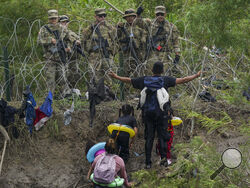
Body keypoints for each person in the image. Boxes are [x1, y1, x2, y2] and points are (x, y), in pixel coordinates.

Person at [109, 61, 201, 169]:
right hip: (162, 115)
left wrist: (116, 76)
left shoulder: (144, 80)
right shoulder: (165, 80)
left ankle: (148, 163)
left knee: (149, 138)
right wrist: (196, 75)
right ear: (162, 71)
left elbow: (129, 80)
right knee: (162, 137)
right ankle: (163, 160)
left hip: (148, 114)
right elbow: (183, 80)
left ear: (152, 70)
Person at [38, 10, 76, 97]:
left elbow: (69, 38)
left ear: (57, 18)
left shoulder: (62, 28)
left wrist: (69, 46)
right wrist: (49, 40)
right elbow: (39, 41)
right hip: (50, 57)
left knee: (62, 77)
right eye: (51, 19)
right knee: (50, 78)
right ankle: (49, 97)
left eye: (55, 18)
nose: (53, 20)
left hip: (61, 56)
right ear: (49, 19)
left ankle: (64, 95)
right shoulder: (44, 29)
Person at [135, 6, 181, 73]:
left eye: (162, 14)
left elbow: (176, 42)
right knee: (151, 73)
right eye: (158, 14)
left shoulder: (171, 27)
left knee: (163, 75)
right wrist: (138, 14)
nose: (160, 16)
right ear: (155, 14)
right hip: (152, 54)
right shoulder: (150, 24)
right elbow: (138, 22)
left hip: (165, 55)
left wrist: (177, 55)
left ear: (165, 14)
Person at [82, 8, 117, 85]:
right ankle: (96, 90)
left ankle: (108, 91)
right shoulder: (91, 28)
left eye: (104, 16)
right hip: (94, 54)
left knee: (108, 73)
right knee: (93, 72)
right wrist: (87, 51)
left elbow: (116, 41)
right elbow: (83, 39)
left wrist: (112, 52)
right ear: (96, 16)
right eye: (100, 16)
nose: (103, 18)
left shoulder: (110, 27)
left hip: (106, 53)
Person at [117, 8, 146, 77]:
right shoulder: (122, 28)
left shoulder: (139, 29)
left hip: (138, 55)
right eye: (128, 17)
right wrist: (117, 28)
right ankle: (126, 87)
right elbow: (115, 38)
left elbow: (144, 41)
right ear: (125, 18)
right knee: (125, 75)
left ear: (134, 17)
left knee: (139, 74)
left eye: (132, 16)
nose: (130, 18)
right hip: (126, 55)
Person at [59, 15, 82, 89]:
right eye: (63, 22)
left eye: (66, 22)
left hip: (72, 57)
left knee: (75, 74)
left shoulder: (71, 33)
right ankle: (64, 91)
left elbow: (79, 40)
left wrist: (78, 42)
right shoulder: (57, 33)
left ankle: (72, 89)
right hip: (62, 58)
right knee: (63, 75)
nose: (64, 24)